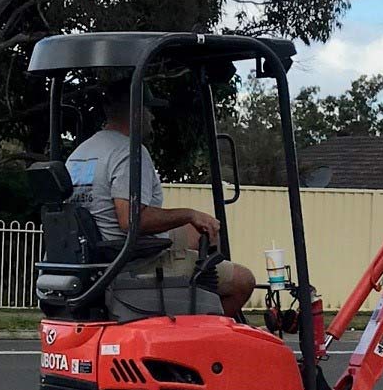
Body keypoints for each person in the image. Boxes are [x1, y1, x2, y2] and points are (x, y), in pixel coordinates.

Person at [67, 79, 255, 318]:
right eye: (149, 110)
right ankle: (199, 334)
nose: (152, 117)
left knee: (202, 231)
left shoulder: (80, 153)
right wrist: (189, 213)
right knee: (243, 280)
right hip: (132, 262)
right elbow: (131, 220)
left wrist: (191, 220)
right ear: (136, 111)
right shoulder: (129, 152)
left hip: (98, 252)